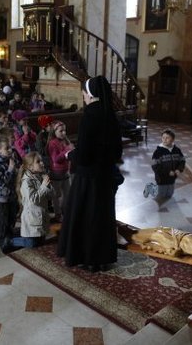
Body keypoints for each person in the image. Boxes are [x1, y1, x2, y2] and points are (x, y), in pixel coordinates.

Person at [57, 76, 122, 272]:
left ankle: (87, 258)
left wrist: (70, 154)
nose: (83, 96)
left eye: (84, 93)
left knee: (86, 217)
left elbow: (84, 155)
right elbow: (118, 151)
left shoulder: (89, 116)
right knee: (102, 217)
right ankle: (102, 258)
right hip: (105, 177)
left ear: (91, 95)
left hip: (88, 178)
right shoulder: (111, 115)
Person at [10, 151, 53, 249]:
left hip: (41, 215)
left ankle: (18, 234)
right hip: (32, 218)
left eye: (41, 160)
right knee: (31, 244)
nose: (42, 163)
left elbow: (52, 195)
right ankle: (10, 241)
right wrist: (43, 186)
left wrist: (48, 185)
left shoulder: (40, 175)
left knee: (41, 241)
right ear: (30, 167)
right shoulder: (26, 182)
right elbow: (33, 199)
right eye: (38, 162)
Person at [0, 135, 19, 252]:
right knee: (3, 218)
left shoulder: (9, 159)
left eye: (10, 147)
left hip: (11, 194)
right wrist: (11, 169)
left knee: (12, 215)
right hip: (1, 197)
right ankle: (3, 241)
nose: (10, 150)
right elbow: (1, 182)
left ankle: (9, 233)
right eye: (7, 148)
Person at [143, 129, 185, 201]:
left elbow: (182, 161)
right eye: (163, 138)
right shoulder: (158, 151)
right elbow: (155, 166)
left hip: (172, 177)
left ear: (173, 139)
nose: (164, 140)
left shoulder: (177, 150)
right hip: (161, 177)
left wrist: (179, 169)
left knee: (169, 195)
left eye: (167, 138)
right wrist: (167, 172)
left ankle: (165, 191)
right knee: (160, 194)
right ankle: (150, 187)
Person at [47, 120, 74, 221]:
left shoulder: (65, 140)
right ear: (54, 132)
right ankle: (58, 214)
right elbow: (56, 159)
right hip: (56, 174)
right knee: (57, 196)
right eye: (61, 131)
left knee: (67, 194)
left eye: (64, 130)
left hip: (66, 172)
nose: (64, 133)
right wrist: (67, 150)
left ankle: (66, 211)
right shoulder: (52, 143)